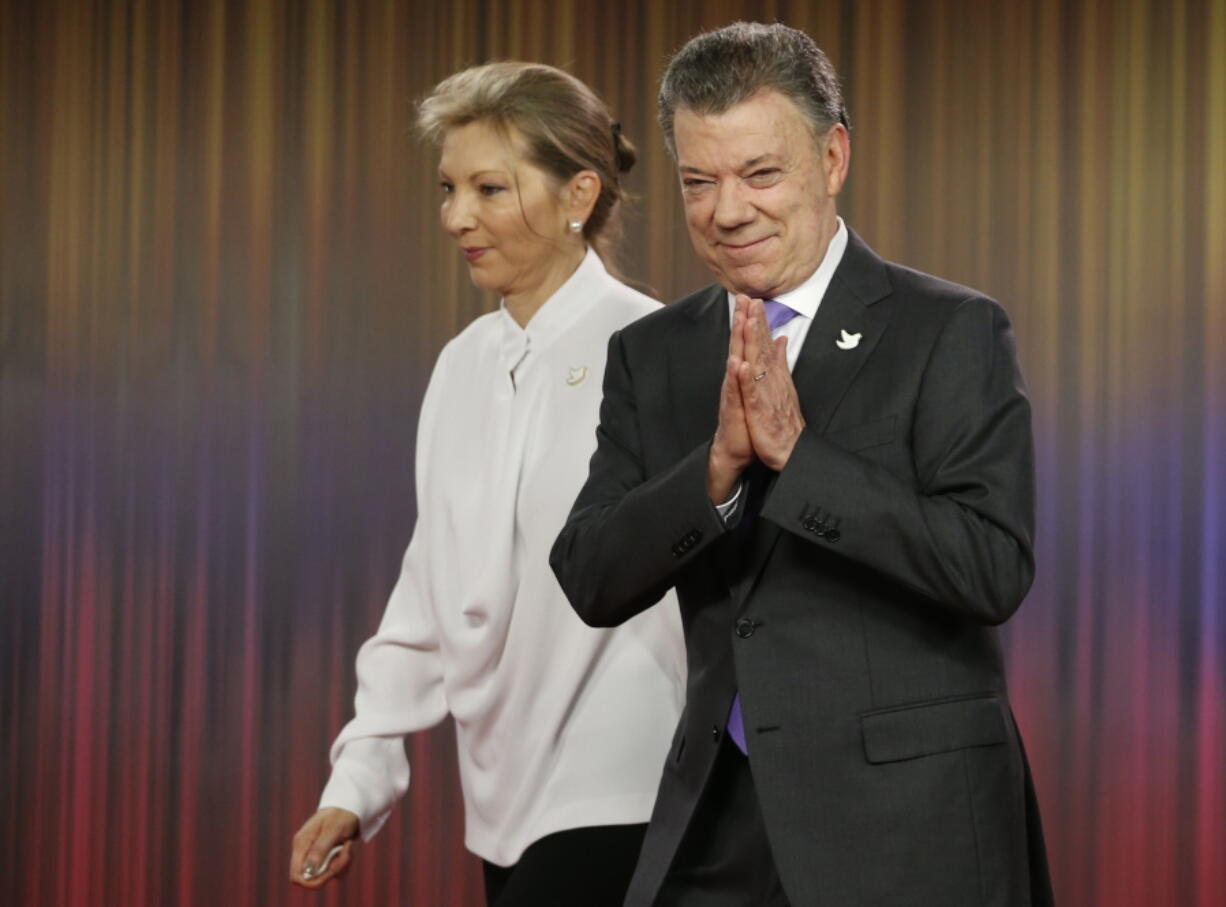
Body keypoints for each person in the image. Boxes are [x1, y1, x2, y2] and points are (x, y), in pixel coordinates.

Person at [551, 22, 1053, 907]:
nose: (727, 210)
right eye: (698, 181)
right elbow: (590, 574)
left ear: (832, 157)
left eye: (760, 174)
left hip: (908, 826)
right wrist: (713, 475)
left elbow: (991, 567)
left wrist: (797, 458)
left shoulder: (951, 329)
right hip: (717, 821)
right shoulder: (653, 353)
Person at [288, 61, 685, 906]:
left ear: (580, 194)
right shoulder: (461, 366)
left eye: (489, 189)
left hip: (628, 787)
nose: (457, 217)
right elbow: (429, 593)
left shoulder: (657, 348)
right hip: (501, 797)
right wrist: (355, 783)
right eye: (449, 188)